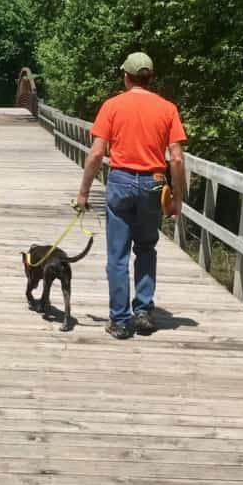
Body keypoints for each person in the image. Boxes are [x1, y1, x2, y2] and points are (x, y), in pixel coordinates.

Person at [75, 52, 186, 339]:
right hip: (153, 182)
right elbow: (175, 159)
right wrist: (177, 199)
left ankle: (121, 321)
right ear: (150, 78)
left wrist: (83, 192)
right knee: (146, 247)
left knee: (117, 254)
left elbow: (98, 152)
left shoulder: (112, 106)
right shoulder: (167, 109)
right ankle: (143, 311)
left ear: (126, 76)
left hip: (121, 181)